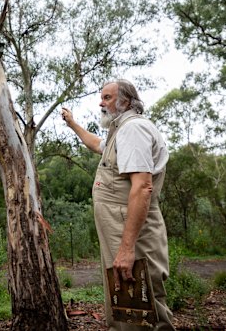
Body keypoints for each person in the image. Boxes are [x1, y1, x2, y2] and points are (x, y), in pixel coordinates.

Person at [62, 79, 174, 331]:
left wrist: (126, 248)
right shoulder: (120, 130)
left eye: (107, 97)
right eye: (102, 97)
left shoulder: (133, 130)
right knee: (124, 296)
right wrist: (72, 124)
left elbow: (142, 186)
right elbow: (94, 144)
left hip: (130, 229)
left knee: (140, 296)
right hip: (119, 226)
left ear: (126, 101)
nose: (101, 102)